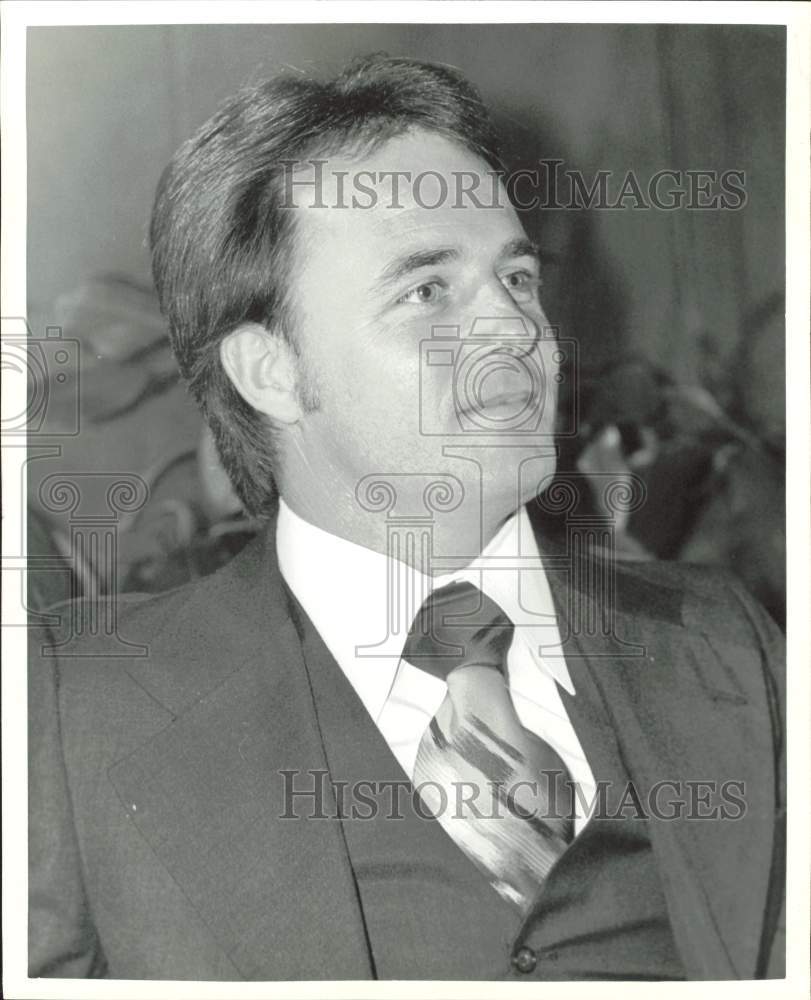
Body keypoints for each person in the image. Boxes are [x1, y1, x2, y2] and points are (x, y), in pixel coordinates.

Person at [28, 54, 785, 982]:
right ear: (271, 371)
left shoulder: (727, 647)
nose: (515, 330)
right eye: (427, 291)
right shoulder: (76, 711)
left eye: (515, 280)